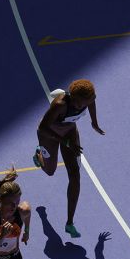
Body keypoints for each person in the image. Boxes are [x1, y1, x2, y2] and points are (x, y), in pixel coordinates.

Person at [33, 79, 104, 238]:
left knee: (75, 176)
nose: (81, 107)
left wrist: (94, 122)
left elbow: (91, 102)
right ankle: (39, 154)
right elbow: (43, 128)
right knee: (49, 171)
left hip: (69, 132)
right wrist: (64, 142)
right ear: (72, 97)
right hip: (49, 135)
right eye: (78, 104)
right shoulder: (60, 105)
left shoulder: (88, 99)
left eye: (83, 104)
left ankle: (69, 223)